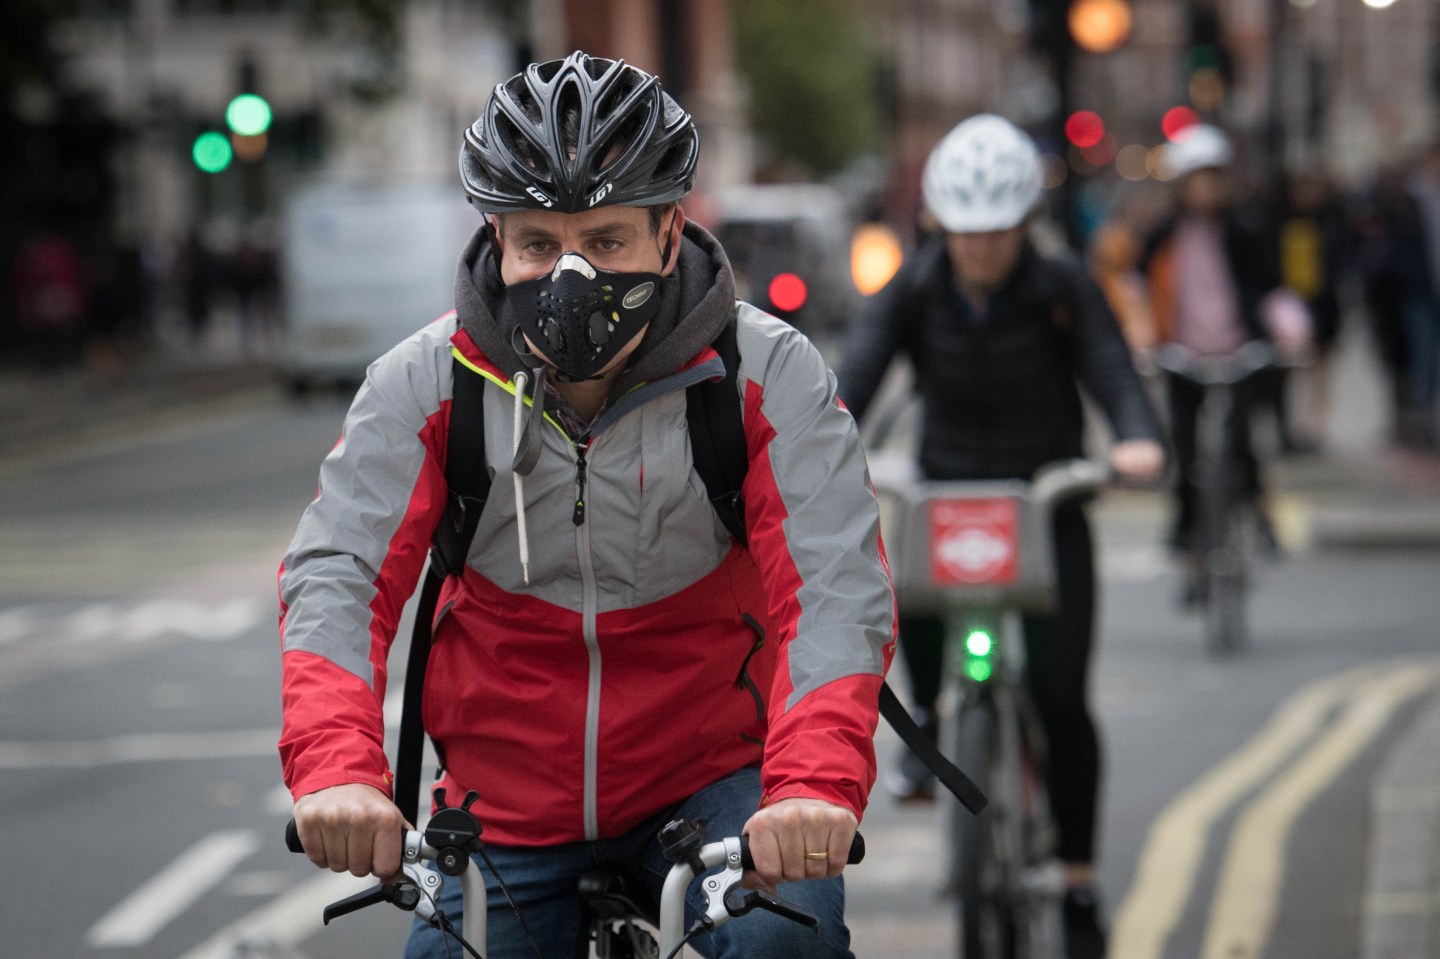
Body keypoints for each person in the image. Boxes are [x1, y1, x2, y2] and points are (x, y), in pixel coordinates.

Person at [277, 52, 894, 959]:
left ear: (670, 233)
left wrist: (811, 786)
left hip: (714, 782)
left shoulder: (765, 374)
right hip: (506, 803)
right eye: (536, 245)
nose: (570, 278)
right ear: (496, 240)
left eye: (606, 241)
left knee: (783, 947)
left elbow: (836, 586)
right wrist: (338, 769)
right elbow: (339, 572)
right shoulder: (425, 383)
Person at [836, 113, 1165, 959]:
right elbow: (859, 376)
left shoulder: (1062, 286)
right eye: (966, 232)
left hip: (1046, 499)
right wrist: (820, 445)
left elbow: (1110, 368)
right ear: (942, 224)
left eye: (998, 231)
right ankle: (938, 729)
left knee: (1062, 702)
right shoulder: (915, 287)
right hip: (946, 490)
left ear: (1023, 223)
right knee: (903, 588)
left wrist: (1136, 437)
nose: (980, 249)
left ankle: (1082, 882)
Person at [1132, 124, 1309, 600]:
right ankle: (1190, 545)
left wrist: (1291, 333)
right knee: (1186, 455)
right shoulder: (1163, 235)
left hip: (1238, 351)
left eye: (1213, 178)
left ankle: (1256, 512)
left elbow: (1274, 291)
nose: (1205, 190)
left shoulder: (1246, 231)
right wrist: (1143, 337)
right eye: (1196, 179)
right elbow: (1138, 290)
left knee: (1241, 444)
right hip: (1182, 356)